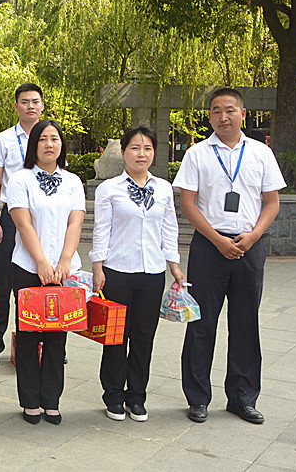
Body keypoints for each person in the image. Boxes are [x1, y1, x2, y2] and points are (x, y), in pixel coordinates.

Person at [173, 87, 285, 425]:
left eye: (230, 110)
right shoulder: (197, 154)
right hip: (209, 247)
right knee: (201, 324)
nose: (224, 116)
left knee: (246, 323)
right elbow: (188, 204)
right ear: (210, 117)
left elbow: (272, 202)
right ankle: (198, 398)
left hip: (250, 247)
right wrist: (218, 239)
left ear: (243, 114)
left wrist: (251, 237)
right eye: (217, 111)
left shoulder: (261, 153)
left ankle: (242, 397)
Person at [90, 126, 186, 422]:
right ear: (123, 153)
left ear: (153, 153)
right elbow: (101, 229)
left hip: (152, 273)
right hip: (117, 271)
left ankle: (137, 396)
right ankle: (114, 395)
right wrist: (97, 266)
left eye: (146, 148)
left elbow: (169, 228)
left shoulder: (163, 188)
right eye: (134, 148)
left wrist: (174, 264)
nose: (141, 153)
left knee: (144, 336)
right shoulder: (110, 188)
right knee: (116, 337)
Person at [6, 119, 85, 425]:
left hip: (63, 270)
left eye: (55, 139)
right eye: (43, 140)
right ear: (33, 145)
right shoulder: (20, 180)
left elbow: (75, 223)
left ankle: (51, 400)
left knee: (57, 337)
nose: (50, 144)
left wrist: (65, 260)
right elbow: (23, 223)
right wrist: (40, 261)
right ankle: (30, 401)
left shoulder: (73, 181)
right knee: (28, 336)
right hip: (28, 268)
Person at [0, 83, 45, 367]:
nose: (30, 106)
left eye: (35, 101)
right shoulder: (4, 139)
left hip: (43, 215)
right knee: (4, 279)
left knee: (40, 277)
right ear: (17, 106)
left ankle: (39, 339)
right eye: (25, 102)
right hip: (10, 214)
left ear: (42, 105)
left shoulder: (50, 138)